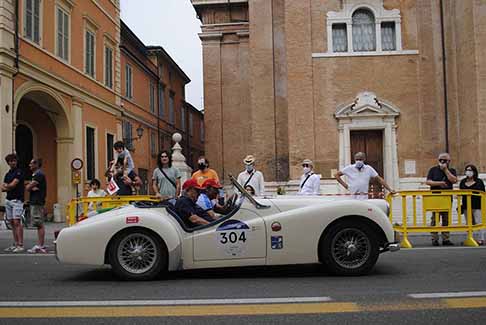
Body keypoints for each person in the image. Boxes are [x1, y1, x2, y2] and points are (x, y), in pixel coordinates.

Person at [425, 152, 457, 246]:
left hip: (446, 198)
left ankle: (446, 239)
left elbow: (454, 180)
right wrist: (440, 183)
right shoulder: (433, 170)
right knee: (434, 219)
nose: (442, 162)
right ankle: (434, 239)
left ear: (449, 161)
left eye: (445, 160)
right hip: (435, 197)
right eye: (440, 160)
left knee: (446, 219)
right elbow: (428, 181)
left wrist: (446, 170)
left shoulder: (452, 170)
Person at [1, 154, 25, 253]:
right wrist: (8, 186)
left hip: (17, 200)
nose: (13, 162)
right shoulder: (8, 174)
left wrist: (8, 186)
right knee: (11, 223)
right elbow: (2, 188)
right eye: (11, 161)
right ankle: (15, 243)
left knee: (17, 222)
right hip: (8, 200)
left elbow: (12, 185)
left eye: (14, 160)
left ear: (16, 161)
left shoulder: (19, 172)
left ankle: (20, 244)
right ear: (8, 163)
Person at [459, 164, 485, 245]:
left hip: (477, 205)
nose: (468, 172)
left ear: (474, 172)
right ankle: (470, 238)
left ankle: (481, 239)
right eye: (467, 170)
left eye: (470, 170)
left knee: (478, 222)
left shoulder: (479, 181)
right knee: (468, 223)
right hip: (466, 205)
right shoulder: (463, 181)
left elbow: (482, 193)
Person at [25, 158, 47, 254]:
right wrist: (30, 186)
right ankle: (40, 244)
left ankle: (41, 246)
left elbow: (28, 187)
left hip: (37, 202)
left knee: (39, 224)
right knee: (39, 224)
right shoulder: (36, 175)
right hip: (36, 201)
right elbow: (30, 187)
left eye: (31, 163)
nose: (29, 165)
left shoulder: (38, 175)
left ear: (37, 164)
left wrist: (29, 186)